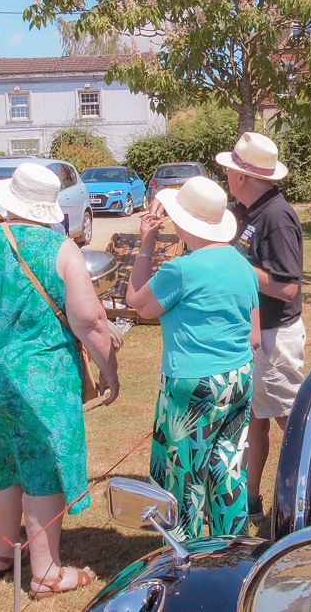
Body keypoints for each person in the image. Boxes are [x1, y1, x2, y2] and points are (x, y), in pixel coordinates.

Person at [0, 162, 119, 600]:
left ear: (10, 199)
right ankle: (46, 573)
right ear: (48, 207)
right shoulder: (61, 249)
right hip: (36, 379)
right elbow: (90, 319)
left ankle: (4, 553)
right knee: (43, 471)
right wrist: (109, 369)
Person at [126, 176, 260, 539]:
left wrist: (145, 245)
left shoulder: (181, 270)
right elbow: (255, 333)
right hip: (239, 378)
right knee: (228, 467)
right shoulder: (241, 263)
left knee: (183, 475)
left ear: (183, 224)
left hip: (191, 385)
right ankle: (231, 548)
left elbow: (137, 301)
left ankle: (185, 559)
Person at [215, 132, 305, 521]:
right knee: (255, 421)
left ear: (240, 176)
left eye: (229, 170)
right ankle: (251, 501)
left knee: (294, 425)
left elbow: (288, 287)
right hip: (254, 333)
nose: (227, 176)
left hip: (274, 335)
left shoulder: (277, 217)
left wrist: (239, 269)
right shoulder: (245, 210)